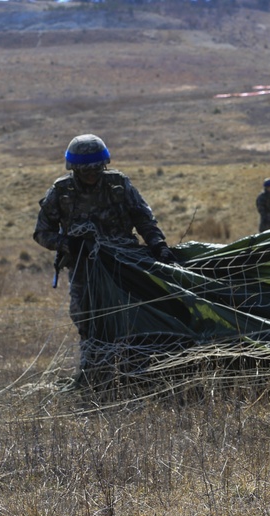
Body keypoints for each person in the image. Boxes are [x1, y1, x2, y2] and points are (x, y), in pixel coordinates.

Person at [33, 133, 177, 380]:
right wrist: (68, 244)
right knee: (85, 318)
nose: (92, 175)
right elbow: (41, 233)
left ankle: (137, 370)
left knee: (133, 315)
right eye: (86, 170)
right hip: (84, 268)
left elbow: (143, 219)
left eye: (96, 169)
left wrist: (158, 245)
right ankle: (94, 373)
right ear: (75, 169)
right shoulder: (61, 191)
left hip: (125, 263)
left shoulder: (119, 185)